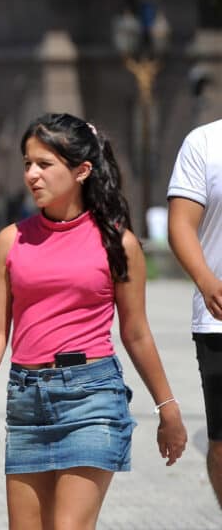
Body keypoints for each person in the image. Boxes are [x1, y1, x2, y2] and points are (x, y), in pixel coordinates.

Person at [0, 113, 187, 528]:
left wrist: (168, 407)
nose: (32, 174)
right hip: (27, 399)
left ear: (82, 170)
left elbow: (136, 332)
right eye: (28, 163)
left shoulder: (117, 243)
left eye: (45, 164)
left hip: (92, 398)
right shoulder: (10, 240)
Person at [167, 117, 222, 508]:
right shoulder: (204, 143)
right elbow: (181, 224)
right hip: (219, 321)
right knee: (221, 445)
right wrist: (206, 281)